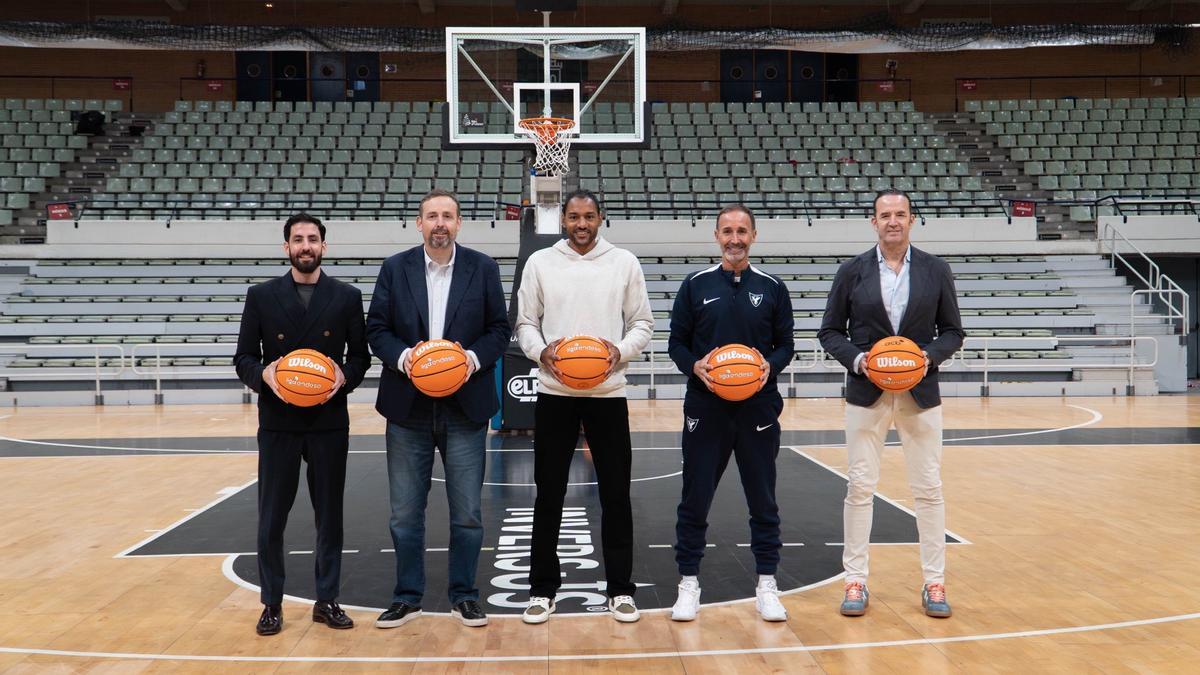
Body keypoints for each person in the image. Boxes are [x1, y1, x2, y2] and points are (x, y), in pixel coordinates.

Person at [366, 188, 511, 628]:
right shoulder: (395, 268)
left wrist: (469, 359)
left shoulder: (483, 268)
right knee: (404, 513)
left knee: (467, 513)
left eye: (447, 216)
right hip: (407, 408)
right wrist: (406, 358)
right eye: (432, 216)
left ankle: (464, 594)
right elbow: (377, 328)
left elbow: (498, 329)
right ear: (419, 223)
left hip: (465, 407)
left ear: (459, 223)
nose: (440, 223)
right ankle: (407, 596)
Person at [817, 189, 964, 619]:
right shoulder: (852, 271)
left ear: (912, 220)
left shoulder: (936, 270)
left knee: (929, 490)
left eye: (900, 214)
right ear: (874, 222)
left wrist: (927, 358)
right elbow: (830, 332)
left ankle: (934, 582)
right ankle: (855, 579)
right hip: (867, 393)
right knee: (860, 488)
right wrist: (861, 361)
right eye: (885, 215)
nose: (893, 221)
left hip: (920, 393)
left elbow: (953, 331)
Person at [514, 188, 654, 624]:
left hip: (608, 395)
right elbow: (523, 323)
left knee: (616, 495)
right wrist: (543, 354)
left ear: (601, 218)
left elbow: (643, 323)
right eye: (573, 216)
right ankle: (541, 590)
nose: (580, 223)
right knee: (549, 495)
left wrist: (619, 352)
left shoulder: (624, 262)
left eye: (588, 216)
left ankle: (619, 590)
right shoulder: (541, 263)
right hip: (555, 395)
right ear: (563, 221)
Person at [234, 213, 371, 636]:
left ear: (324, 247)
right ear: (286, 248)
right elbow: (243, 358)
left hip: (328, 420)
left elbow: (361, 357)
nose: (305, 246)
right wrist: (265, 376)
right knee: (271, 516)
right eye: (298, 240)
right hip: (279, 420)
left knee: (329, 516)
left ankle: (326, 599)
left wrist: (342, 378)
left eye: (313, 239)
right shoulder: (261, 296)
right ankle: (271, 603)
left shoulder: (346, 296)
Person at [666, 204, 795, 622]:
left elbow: (785, 345)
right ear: (716, 235)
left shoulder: (773, 287)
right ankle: (688, 583)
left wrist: (768, 366)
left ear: (753, 236)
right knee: (695, 497)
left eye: (742, 231)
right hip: (706, 406)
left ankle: (767, 584)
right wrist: (695, 366)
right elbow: (676, 344)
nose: (734, 238)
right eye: (727, 231)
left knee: (763, 498)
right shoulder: (695, 284)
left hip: (758, 405)